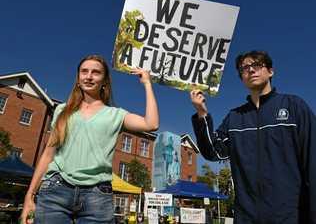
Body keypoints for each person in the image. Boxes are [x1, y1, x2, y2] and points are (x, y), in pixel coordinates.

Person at [21, 54, 159, 224]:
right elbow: (48, 154)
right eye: (84, 71)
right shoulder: (62, 111)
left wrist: (147, 84)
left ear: (104, 81)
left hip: (97, 196)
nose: (89, 76)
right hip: (56, 190)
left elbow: (151, 124)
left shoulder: (115, 115)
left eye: (96, 72)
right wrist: (30, 195)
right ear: (78, 78)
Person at [190, 51, 316, 224]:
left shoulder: (294, 107)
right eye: (244, 68)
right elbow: (214, 152)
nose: (250, 70)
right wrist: (202, 113)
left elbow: (312, 161)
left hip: (290, 216)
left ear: (270, 71)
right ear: (241, 77)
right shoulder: (234, 117)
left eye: (256, 65)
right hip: (246, 216)